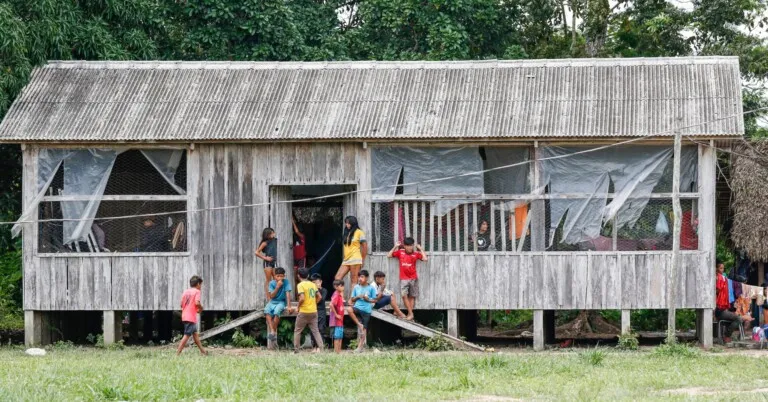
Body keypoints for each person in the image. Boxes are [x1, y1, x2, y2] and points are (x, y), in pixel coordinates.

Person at [387, 237, 428, 321]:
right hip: (404, 279)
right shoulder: (400, 252)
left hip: (413, 278)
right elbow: (389, 255)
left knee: (412, 296)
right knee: (404, 296)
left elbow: (425, 259)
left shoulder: (416, 254)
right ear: (404, 246)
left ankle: (410, 314)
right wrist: (395, 246)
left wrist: (420, 249)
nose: (410, 247)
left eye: (411, 245)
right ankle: (411, 313)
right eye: (408, 245)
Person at [715, 261, 752, 342]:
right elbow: (717, 289)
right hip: (720, 310)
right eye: (720, 268)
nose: (722, 270)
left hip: (724, 309)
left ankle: (729, 334)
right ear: (716, 269)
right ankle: (726, 335)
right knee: (739, 319)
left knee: (742, 319)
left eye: (723, 268)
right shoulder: (719, 278)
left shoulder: (723, 278)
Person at [294, 268, 324, 352]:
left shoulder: (300, 285)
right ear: (308, 276)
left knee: (297, 331)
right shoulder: (312, 284)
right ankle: (321, 348)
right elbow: (320, 297)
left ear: (298, 276)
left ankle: (296, 350)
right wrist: (314, 303)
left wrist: (298, 307)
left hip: (304, 311)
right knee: (316, 331)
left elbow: (302, 298)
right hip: (313, 311)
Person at [335, 216, 367, 297]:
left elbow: (365, 246)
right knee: (337, 278)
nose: (347, 224)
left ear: (353, 223)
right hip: (346, 259)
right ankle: (341, 298)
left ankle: (352, 300)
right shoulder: (346, 232)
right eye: (346, 223)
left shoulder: (359, 232)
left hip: (355, 259)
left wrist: (362, 259)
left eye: (348, 223)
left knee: (354, 280)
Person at [346, 270, 377, 352]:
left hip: (366, 310)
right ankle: (359, 324)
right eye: (359, 277)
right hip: (357, 307)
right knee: (349, 309)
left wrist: (368, 299)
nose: (360, 279)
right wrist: (358, 297)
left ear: (367, 278)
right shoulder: (356, 287)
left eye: (362, 277)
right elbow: (352, 299)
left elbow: (375, 300)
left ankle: (360, 348)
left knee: (364, 329)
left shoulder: (371, 288)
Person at [176, 275, 207, 356]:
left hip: (185, 315)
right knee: (186, 335)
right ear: (198, 284)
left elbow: (181, 304)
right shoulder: (197, 291)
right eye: (201, 285)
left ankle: (203, 352)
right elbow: (197, 303)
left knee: (195, 335)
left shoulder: (185, 292)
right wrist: (201, 308)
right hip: (190, 317)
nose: (201, 287)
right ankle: (177, 354)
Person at [264, 267, 294, 349]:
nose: (280, 278)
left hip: (281, 302)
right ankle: (273, 331)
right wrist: (277, 287)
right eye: (278, 276)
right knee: (266, 311)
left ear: (284, 276)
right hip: (272, 301)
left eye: (282, 276)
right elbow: (271, 296)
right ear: (274, 276)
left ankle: (272, 332)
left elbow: (288, 294)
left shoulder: (286, 282)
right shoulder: (272, 283)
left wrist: (289, 306)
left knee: (277, 312)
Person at [255, 228, 277, 300]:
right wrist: (265, 258)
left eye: (273, 232)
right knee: (268, 280)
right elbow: (256, 252)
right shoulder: (265, 243)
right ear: (267, 235)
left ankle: (274, 296)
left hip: (274, 262)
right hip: (267, 263)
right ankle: (268, 298)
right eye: (271, 233)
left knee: (276, 278)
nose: (273, 234)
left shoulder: (275, 240)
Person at [310, 273, 328, 348]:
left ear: (320, 282)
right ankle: (314, 346)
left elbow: (322, 299)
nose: (315, 284)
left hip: (321, 311)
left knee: (321, 328)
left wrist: (317, 290)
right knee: (313, 329)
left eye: (316, 282)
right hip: (312, 310)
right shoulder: (311, 290)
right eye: (313, 283)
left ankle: (320, 346)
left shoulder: (324, 290)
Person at [329, 279, 345, 354]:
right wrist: (336, 315)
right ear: (336, 287)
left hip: (340, 318)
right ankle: (336, 352)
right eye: (341, 286)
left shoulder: (339, 294)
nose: (343, 287)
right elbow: (331, 305)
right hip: (336, 319)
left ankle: (339, 351)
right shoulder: (336, 294)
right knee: (337, 336)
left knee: (340, 336)